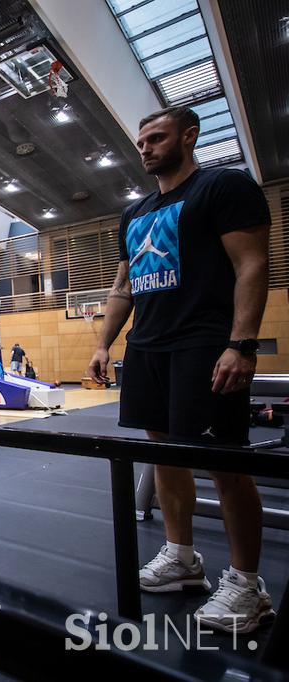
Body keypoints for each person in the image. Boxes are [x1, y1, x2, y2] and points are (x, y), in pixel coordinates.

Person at [87, 105, 273, 634]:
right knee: (164, 457)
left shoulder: (223, 188)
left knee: (224, 463)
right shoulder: (135, 212)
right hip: (148, 347)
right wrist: (104, 344)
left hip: (204, 344)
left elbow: (251, 264)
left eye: (157, 137)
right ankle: (183, 559)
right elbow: (123, 286)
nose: (145, 147)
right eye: (141, 140)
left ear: (188, 136)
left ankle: (246, 584)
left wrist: (241, 344)